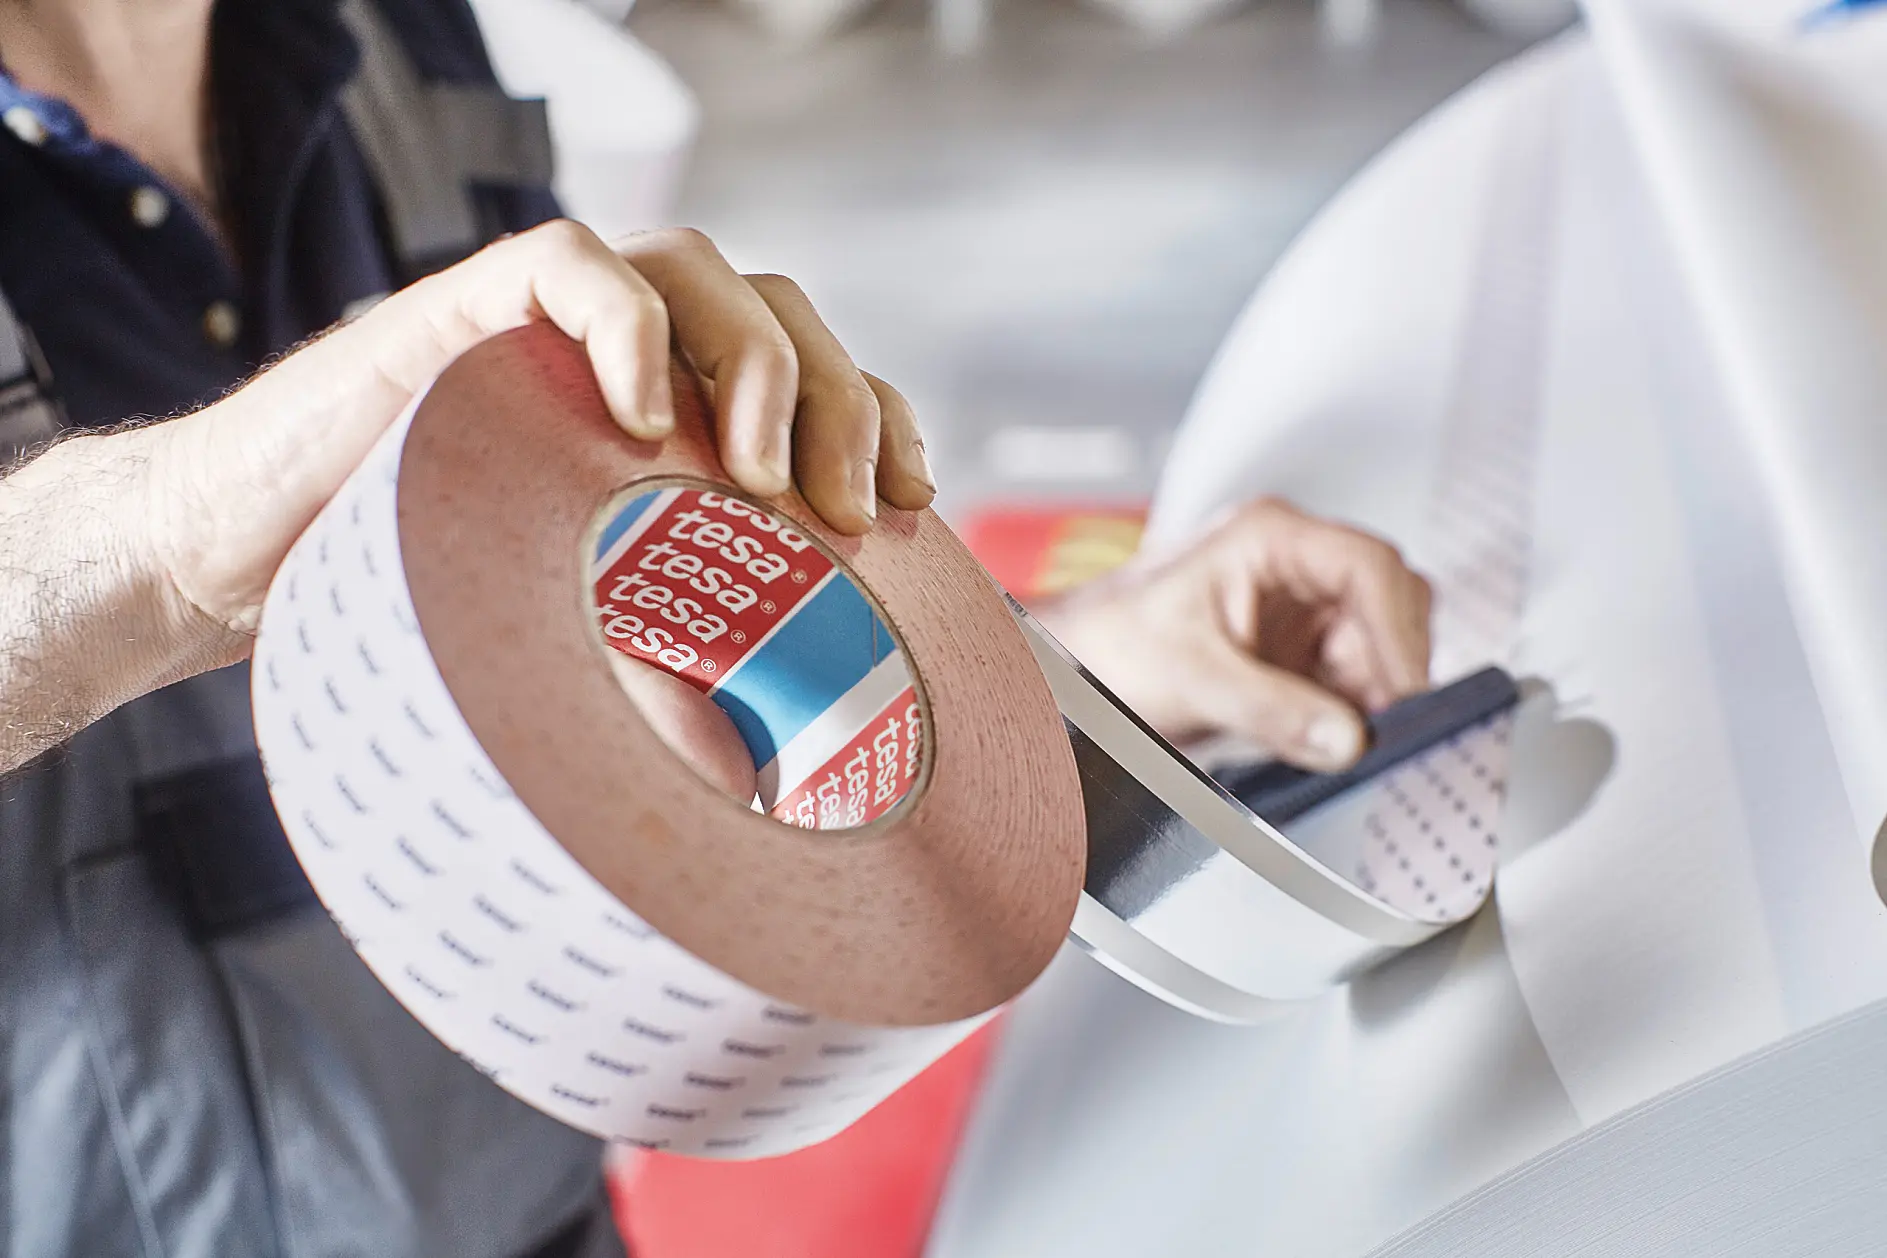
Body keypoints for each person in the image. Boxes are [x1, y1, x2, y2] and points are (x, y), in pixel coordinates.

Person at [0, 0, 1433, 1253]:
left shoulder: (397, 39)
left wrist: (1048, 674)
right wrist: (165, 543)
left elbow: (589, 662)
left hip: (540, 1206)